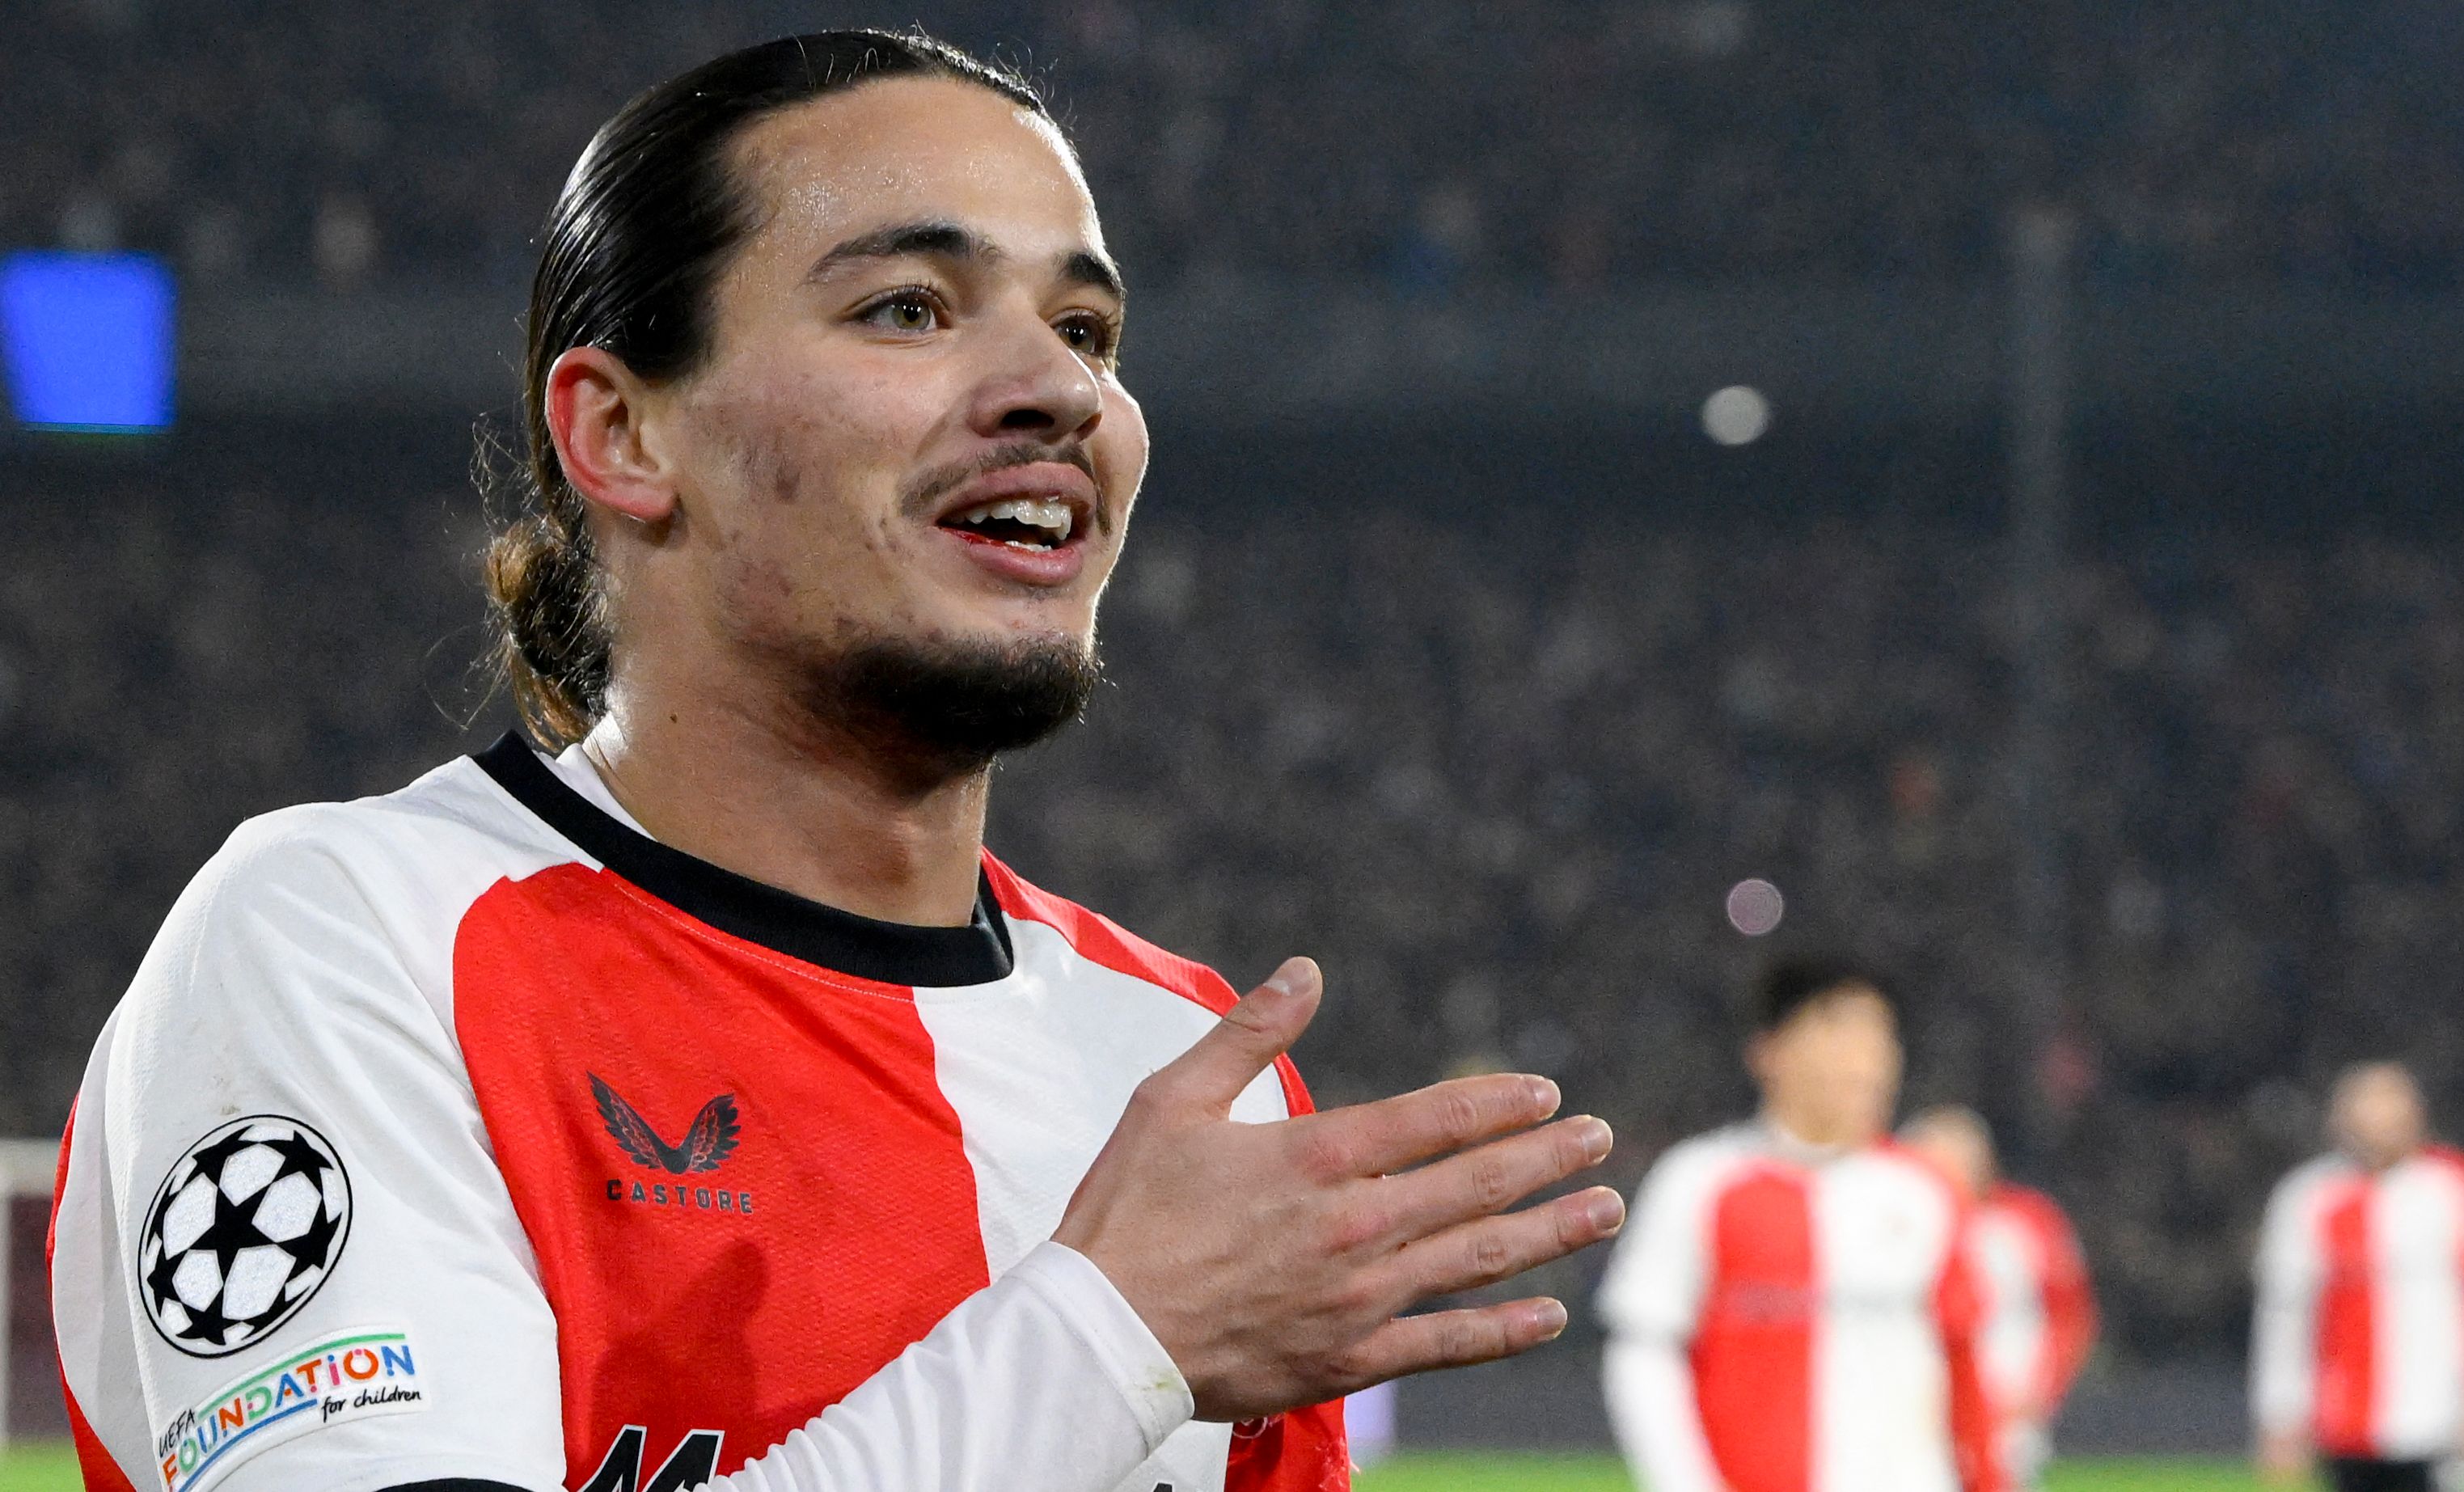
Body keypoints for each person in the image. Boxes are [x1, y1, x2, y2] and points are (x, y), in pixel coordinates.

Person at [48, 32, 1627, 1492]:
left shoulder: (1185, 1069)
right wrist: (1105, 1338)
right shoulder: (353, 935)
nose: (1060, 389)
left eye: (1086, 330)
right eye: (908, 309)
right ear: (624, 436)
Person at [1597, 958, 2005, 1492]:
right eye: (1839, 1029)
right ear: (1769, 1050)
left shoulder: (1926, 1192)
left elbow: (1963, 1363)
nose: (1867, 1057)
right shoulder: (1699, 1183)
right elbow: (1643, 1351)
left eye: (1881, 1035)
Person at [2252, 1063, 2464, 1492]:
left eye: (2391, 1110)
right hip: (2344, 1421)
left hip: (2441, 1417)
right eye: (2366, 1111)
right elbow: (2285, 1312)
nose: (2379, 1125)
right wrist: (2280, 1412)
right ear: (2339, 1120)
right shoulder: (2308, 1196)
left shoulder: (2458, 1187)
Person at [1901, 1105, 2099, 1491]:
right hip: (1916, 1416)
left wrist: (2041, 1390)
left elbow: (2070, 1313)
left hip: (2008, 1418)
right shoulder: (1898, 1225)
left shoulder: (2027, 1222)